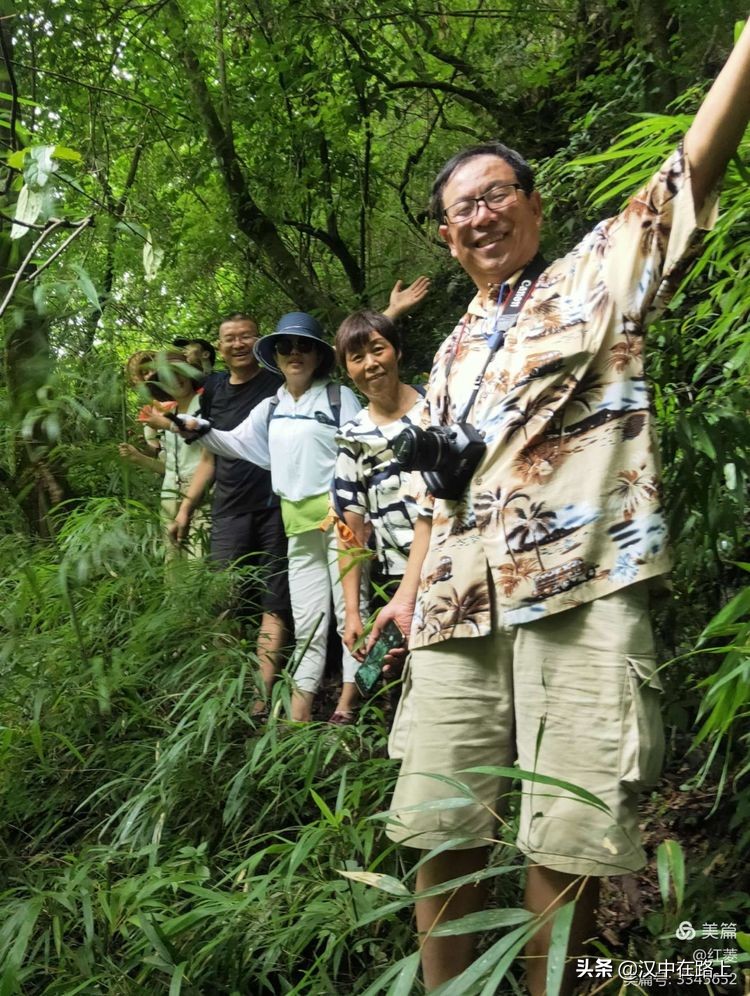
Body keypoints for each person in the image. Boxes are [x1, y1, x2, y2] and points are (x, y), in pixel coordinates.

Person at [370, 21, 750, 994]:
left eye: (496, 193)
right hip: (456, 603)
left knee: (568, 827)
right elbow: (432, 489)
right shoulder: (449, 350)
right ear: (448, 237)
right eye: (462, 209)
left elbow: (687, 176)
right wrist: (406, 594)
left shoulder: (597, 276)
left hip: (582, 583)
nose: (481, 214)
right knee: (435, 819)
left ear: (531, 206)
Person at [182, 312, 363, 723]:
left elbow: (360, 455)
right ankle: (299, 713)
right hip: (297, 528)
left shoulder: (339, 398)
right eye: (286, 346)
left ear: (319, 355)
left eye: (304, 346)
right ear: (276, 356)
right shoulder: (272, 405)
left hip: (341, 524)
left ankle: (347, 706)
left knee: (353, 612)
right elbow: (231, 442)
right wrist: (184, 424)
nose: (295, 353)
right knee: (308, 621)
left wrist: (351, 510)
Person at [170, 313, 290, 716]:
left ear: (260, 341)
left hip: (277, 504)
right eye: (229, 339)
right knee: (225, 599)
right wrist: (187, 507)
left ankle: (260, 695)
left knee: (274, 599)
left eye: (246, 337)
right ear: (218, 348)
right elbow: (208, 454)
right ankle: (226, 690)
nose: (238, 344)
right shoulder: (216, 390)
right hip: (229, 508)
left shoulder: (278, 380)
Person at [332, 310, 426, 663]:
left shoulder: (437, 406)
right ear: (347, 369)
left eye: (377, 350)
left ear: (397, 351)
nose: (370, 364)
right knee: (398, 674)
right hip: (394, 576)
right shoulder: (352, 439)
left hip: (452, 561)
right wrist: (353, 611)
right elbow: (349, 530)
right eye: (357, 358)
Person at [119, 350, 208, 560]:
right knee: (174, 569)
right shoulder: (171, 412)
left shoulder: (206, 405)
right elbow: (169, 469)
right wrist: (138, 458)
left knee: (199, 563)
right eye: (166, 376)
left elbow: (210, 455)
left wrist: (168, 425)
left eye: (178, 372)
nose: (175, 380)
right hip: (170, 497)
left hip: (202, 496)